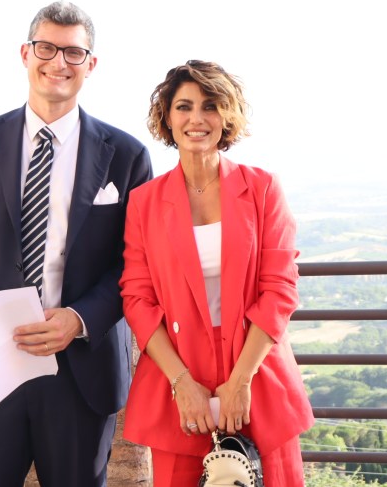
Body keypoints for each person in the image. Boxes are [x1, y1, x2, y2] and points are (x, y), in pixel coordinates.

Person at [0, 0, 152, 487]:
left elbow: (136, 263)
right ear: (25, 54)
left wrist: (79, 318)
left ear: (90, 65)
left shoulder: (128, 155)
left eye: (73, 53)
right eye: (46, 48)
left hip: (81, 374)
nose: (58, 63)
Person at [119, 60, 314, 486]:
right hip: (178, 382)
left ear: (226, 116)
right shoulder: (143, 203)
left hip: (255, 373)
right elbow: (137, 299)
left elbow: (280, 288)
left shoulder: (262, 188)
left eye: (210, 106)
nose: (196, 119)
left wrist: (241, 380)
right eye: (184, 107)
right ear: (167, 118)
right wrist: (181, 383)